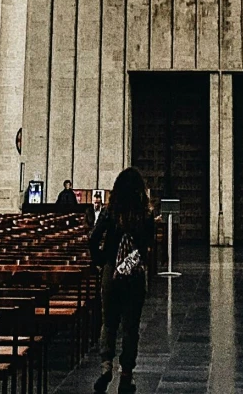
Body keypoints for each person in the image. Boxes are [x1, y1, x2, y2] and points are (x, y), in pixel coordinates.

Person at [88, 166, 156, 394]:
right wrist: (139, 260)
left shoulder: (110, 212)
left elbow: (93, 238)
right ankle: (126, 373)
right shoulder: (144, 214)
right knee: (131, 326)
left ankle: (106, 367)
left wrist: (101, 261)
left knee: (109, 322)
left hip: (111, 272)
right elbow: (150, 243)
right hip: (134, 276)